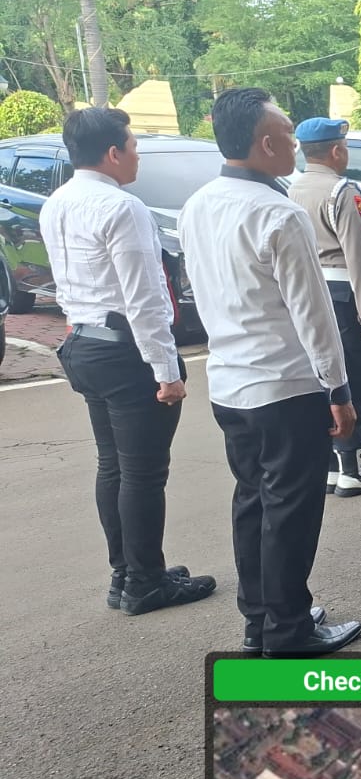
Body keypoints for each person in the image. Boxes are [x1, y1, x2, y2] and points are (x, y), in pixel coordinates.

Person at [179, 87, 361, 657]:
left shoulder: (198, 204)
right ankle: (288, 628)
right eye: (286, 133)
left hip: (230, 382)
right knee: (290, 512)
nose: (293, 142)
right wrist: (338, 389)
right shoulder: (277, 213)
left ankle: (260, 618)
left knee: (253, 502)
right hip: (285, 385)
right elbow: (314, 314)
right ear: (264, 143)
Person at [41, 106, 216, 615]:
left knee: (113, 465)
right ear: (114, 153)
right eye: (134, 146)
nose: (137, 156)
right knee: (142, 473)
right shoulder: (122, 207)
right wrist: (166, 371)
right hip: (125, 351)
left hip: (84, 343)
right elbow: (144, 299)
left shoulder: (57, 202)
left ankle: (128, 572)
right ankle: (144, 582)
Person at [287, 117, 361, 499]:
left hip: (306, 291)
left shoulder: (290, 189)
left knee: (323, 377)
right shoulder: (342, 191)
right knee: (355, 377)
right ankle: (354, 467)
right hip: (342, 291)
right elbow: (359, 256)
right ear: (337, 151)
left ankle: (332, 466)